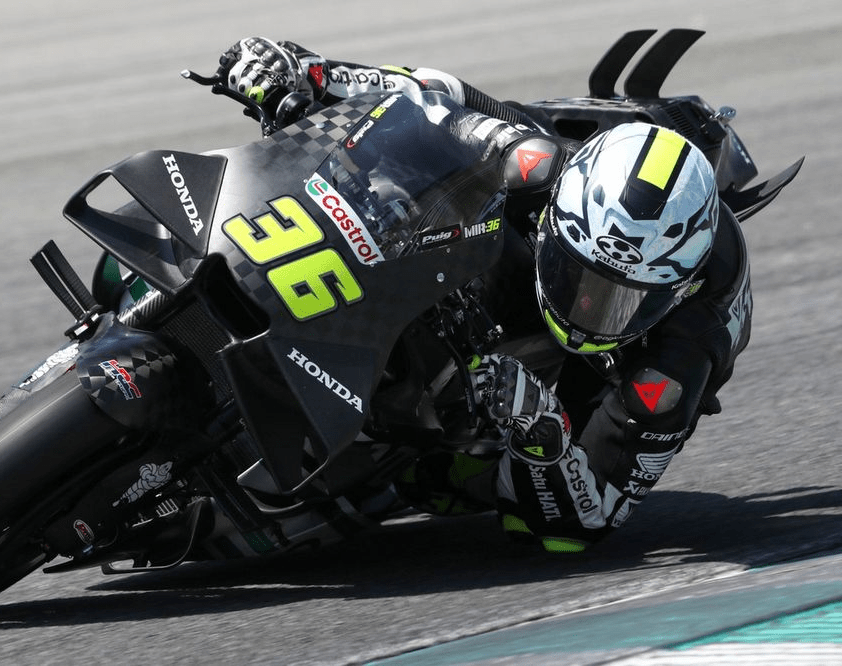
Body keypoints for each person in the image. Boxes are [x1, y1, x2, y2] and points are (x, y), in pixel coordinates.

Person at [212, 38, 752, 553]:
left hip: (577, 391)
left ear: (675, 290)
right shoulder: (543, 163)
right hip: (539, 205)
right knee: (407, 183)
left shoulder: (682, 352)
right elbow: (432, 96)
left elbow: (583, 523)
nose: (588, 310)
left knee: (451, 485)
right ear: (555, 221)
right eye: (577, 278)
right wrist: (309, 74)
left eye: (622, 300)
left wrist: (542, 428)